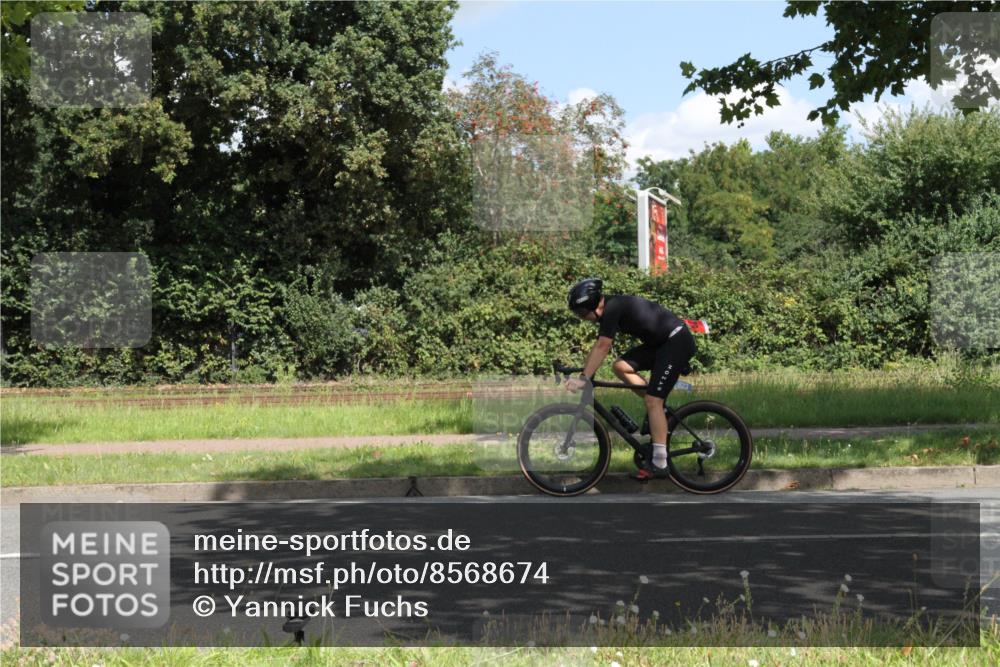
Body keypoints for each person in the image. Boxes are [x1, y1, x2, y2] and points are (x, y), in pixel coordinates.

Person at [564, 278, 696, 480]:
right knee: (620, 367)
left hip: (676, 341)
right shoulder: (610, 308)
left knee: (654, 401)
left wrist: (584, 378)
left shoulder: (612, 307)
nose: (582, 318)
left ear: (592, 305)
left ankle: (660, 462)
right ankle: (656, 409)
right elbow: (598, 346)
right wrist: (583, 372)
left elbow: (603, 347)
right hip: (661, 344)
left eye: (581, 313)